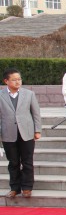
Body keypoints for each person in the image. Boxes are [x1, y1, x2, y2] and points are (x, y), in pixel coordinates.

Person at [1, 68, 42, 198]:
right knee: (13, 162)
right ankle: (14, 188)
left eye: (19, 79)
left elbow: (36, 113)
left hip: (27, 132)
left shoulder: (29, 94)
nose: (18, 82)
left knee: (27, 161)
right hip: (8, 133)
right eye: (14, 80)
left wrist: (37, 130)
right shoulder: (1, 95)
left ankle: (27, 187)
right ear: (6, 81)